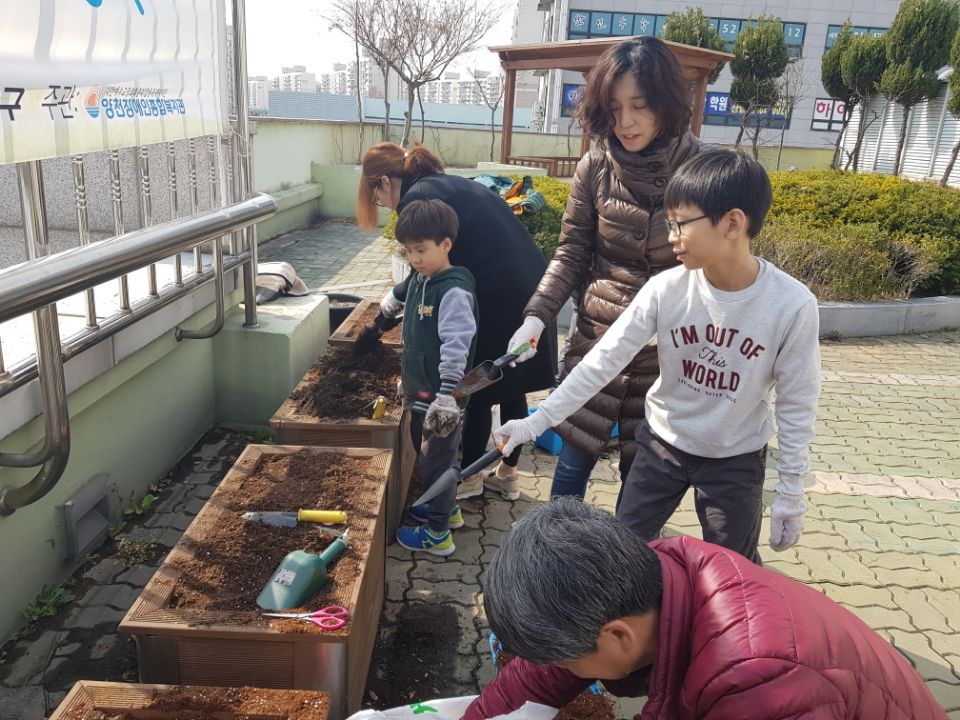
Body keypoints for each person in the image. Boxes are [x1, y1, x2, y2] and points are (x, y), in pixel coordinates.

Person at [496, 149, 820, 563]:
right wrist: (537, 421)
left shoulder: (790, 305)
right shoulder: (667, 289)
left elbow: (797, 402)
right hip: (663, 445)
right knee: (628, 552)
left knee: (732, 568)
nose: (670, 237)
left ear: (733, 223)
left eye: (681, 224)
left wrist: (791, 489)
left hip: (734, 459)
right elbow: (603, 360)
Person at [464, 499, 949, 720]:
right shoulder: (653, 571)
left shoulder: (756, 684)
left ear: (618, 637)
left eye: (569, 659)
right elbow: (537, 676)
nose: (564, 671)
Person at [505, 36, 701, 501]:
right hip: (599, 337)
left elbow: (715, 265)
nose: (626, 122)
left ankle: (629, 569)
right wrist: (536, 318)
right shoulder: (595, 167)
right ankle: (556, 561)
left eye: (639, 105)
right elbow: (571, 252)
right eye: (614, 109)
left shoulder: (701, 168)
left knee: (644, 478)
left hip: (667, 350)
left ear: (666, 102)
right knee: (573, 461)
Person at [358, 142, 558, 502]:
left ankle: (471, 477)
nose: (385, 206)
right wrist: (400, 296)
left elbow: (431, 264)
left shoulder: (417, 199)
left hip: (497, 292)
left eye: (377, 197)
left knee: (475, 387)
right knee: (511, 384)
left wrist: (397, 297)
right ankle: (508, 474)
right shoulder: (440, 182)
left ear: (384, 182)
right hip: (531, 287)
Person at [391, 199, 477, 556]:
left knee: (437, 459)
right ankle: (448, 510)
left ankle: (438, 534)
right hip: (422, 391)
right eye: (409, 251)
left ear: (446, 244)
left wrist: (446, 395)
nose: (415, 259)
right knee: (436, 458)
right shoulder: (422, 279)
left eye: (422, 250)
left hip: (441, 398)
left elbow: (457, 344)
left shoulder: (453, 289)